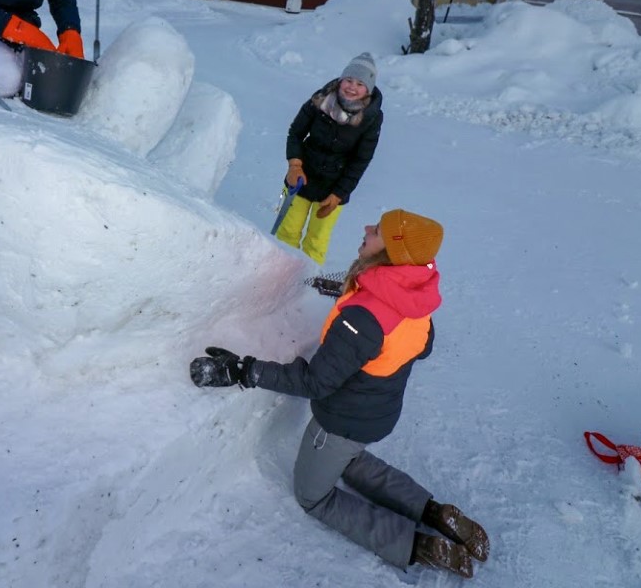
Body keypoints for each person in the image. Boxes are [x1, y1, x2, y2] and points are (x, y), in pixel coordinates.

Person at [190, 209, 489, 579]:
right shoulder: (417, 299)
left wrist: (244, 370)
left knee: (313, 496)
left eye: (377, 231)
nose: (366, 228)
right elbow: (421, 346)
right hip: (378, 413)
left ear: (393, 253)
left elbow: (314, 382)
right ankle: (433, 512)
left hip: (340, 421)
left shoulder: (362, 319)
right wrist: (360, 296)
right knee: (349, 459)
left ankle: (415, 544)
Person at [277, 52, 383, 265]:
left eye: (360, 83)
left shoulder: (371, 117)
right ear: (341, 80)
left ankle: (305, 284)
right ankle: (278, 273)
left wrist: (338, 194)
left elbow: (360, 160)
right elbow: (295, 133)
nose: (352, 87)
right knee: (287, 231)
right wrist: (294, 165)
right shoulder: (320, 100)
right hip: (301, 178)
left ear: (368, 89)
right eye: (349, 80)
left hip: (334, 186)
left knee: (316, 241)